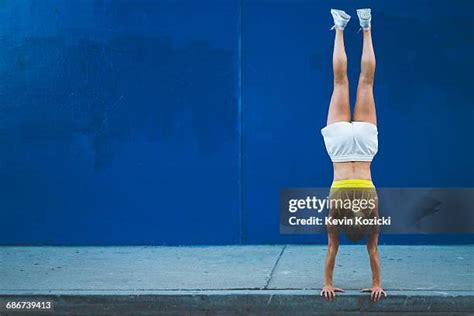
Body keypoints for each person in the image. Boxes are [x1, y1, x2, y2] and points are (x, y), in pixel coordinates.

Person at [319, 8, 387, 302]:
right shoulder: (337, 218)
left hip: (363, 149)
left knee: (366, 82)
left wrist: (377, 284)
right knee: (341, 82)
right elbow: (332, 249)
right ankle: (340, 26)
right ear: (349, 228)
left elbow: (373, 251)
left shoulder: (372, 216)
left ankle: (367, 25)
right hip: (340, 152)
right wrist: (327, 282)